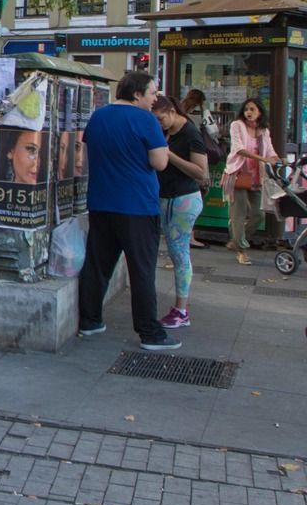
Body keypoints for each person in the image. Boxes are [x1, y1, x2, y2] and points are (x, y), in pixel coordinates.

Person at [77, 71, 177, 350]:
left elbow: (87, 155)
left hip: (101, 202)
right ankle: (150, 333)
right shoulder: (145, 120)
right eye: (152, 92)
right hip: (137, 206)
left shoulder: (98, 116)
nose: (155, 98)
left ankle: (90, 320)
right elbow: (159, 163)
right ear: (137, 94)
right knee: (142, 270)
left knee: (97, 265)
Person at [151, 94, 209, 328]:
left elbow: (201, 172)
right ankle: (179, 308)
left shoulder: (189, 133)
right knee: (176, 253)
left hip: (184, 199)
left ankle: (181, 309)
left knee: (179, 254)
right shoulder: (167, 132)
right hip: (167, 198)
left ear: (172, 112)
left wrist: (169, 154)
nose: (159, 123)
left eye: (161, 118)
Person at [222, 97, 278, 263]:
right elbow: (238, 149)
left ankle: (237, 239)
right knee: (238, 214)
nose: (249, 112)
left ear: (260, 112)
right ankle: (241, 250)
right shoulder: (237, 125)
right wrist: (262, 158)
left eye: (253, 109)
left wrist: (278, 159)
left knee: (258, 214)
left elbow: (271, 152)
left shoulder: (264, 131)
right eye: (246, 109)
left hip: (256, 177)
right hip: (237, 174)